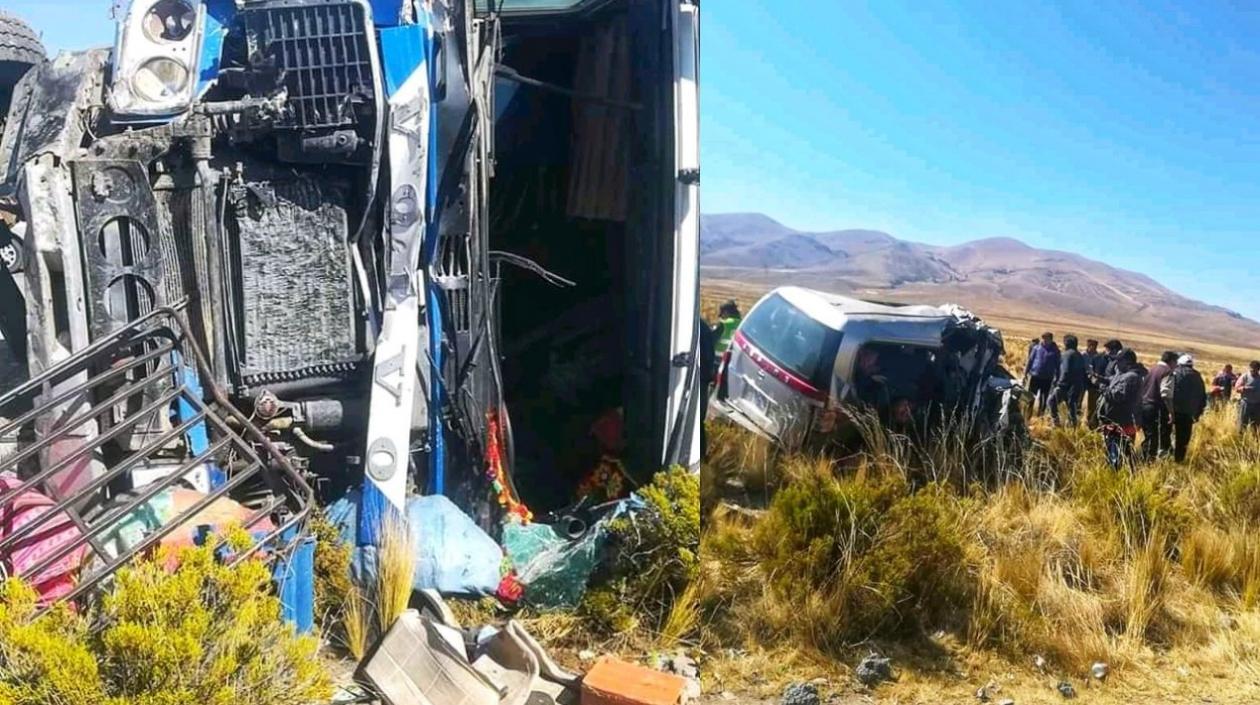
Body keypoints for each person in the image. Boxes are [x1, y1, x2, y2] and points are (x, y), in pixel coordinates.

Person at [1099, 348, 1143, 471]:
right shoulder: (1125, 375)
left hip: (1122, 423)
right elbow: (1111, 380)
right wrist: (1097, 378)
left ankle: (1115, 477)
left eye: (1119, 361)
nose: (1116, 364)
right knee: (1118, 453)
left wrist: (1102, 388)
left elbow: (1116, 396)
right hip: (1119, 421)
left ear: (1127, 362)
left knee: (1117, 455)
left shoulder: (1131, 377)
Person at [1163, 354, 1207, 463]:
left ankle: (1167, 458)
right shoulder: (1198, 377)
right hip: (1188, 414)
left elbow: (1167, 393)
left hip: (1172, 411)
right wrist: (1198, 414)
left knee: (1168, 435)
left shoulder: (1174, 373)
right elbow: (1202, 397)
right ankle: (1179, 460)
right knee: (1183, 439)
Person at [1140, 351, 1178, 461]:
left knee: (1148, 435)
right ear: (1171, 361)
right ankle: (1147, 463)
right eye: (1175, 362)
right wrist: (1171, 412)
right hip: (1155, 407)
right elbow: (1165, 394)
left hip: (1144, 404)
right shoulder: (1167, 372)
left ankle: (1144, 459)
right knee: (1154, 437)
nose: (1176, 366)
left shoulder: (1152, 369)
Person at [1049, 335, 1087, 426]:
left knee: (1051, 401)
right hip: (1077, 386)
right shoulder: (1079, 355)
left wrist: (1060, 384)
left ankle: (1056, 422)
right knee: (1071, 405)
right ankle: (1073, 425)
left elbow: (1065, 370)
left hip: (1065, 385)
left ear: (1066, 343)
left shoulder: (1066, 354)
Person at [1026, 332, 1061, 417]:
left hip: (1047, 378)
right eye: (1043, 338)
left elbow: (1058, 365)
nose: (1044, 340)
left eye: (1046, 338)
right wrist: (1026, 372)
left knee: (1043, 398)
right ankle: (1028, 415)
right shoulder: (1036, 348)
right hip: (1035, 376)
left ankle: (1040, 416)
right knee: (1031, 397)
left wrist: (1057, 377)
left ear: (1050, 339)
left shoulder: (1055, 351)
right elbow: (1030, 360)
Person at [1082, 339, 1109, 429]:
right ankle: (1089, 424)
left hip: (1099, 387)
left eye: (1094, 346)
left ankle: (1094, 425)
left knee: (1098, 408)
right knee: (1090, 406)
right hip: (1089, 384)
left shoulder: (1104, 359)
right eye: (1090, 345)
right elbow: (1091, 372)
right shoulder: (1093, 357)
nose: (1091, 347)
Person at [714, 300, 742, 364]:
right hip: (731, 361)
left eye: (721, 312)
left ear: (726, 312)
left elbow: (710, 341)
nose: (720, 315)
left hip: (716, 358)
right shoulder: (742, 325)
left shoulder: (723, 324)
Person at [1236, 361, 1260, 432]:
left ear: (1258, 369)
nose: (1252, 371)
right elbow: (1237, 388)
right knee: (1242, 423)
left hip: (1257, 405)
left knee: (1256, 425)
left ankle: (1254, 440)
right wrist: (1244, 388)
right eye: (1251, 370)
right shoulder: (1245, 376)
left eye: (1255, 370)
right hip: (1246, 403)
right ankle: (1240, 439)